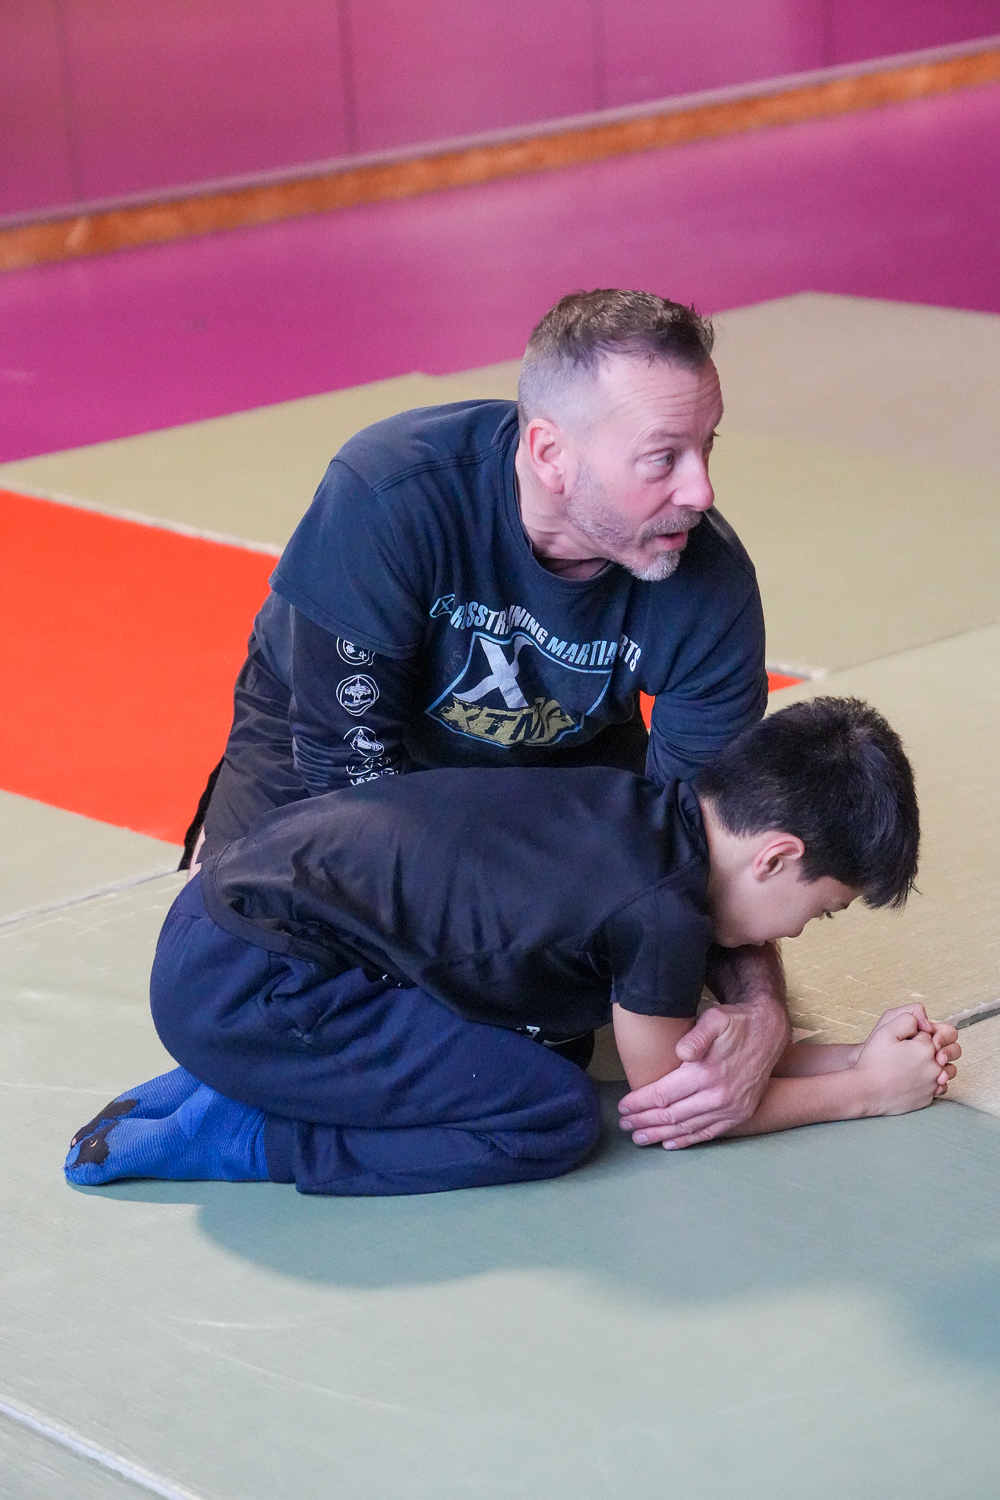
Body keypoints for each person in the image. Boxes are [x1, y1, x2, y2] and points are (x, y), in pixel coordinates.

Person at [184, 287, 788, 1135]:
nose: (701, 488)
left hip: (557, 761)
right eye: (664, 458)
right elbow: (351, 797)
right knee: (239, 969)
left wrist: (762, 1011)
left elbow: (713, 841)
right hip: (329, 749)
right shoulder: (392, 493)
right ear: (550, 453)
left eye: (707, 445)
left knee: (545, 1044)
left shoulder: (709, 588)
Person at [65, 697, 960, 1196]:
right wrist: (865, 1092)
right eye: (819, 912)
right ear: (776, 857)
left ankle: (242, 1076)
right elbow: (670, 1103)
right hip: (255, 989)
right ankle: (249, 1133)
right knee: (550, 1114)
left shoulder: (638, 809)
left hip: (226, 938)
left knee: (521, 1044)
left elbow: (701, 1060)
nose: (795, 934)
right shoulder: (663, 912)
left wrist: (857, 1050)